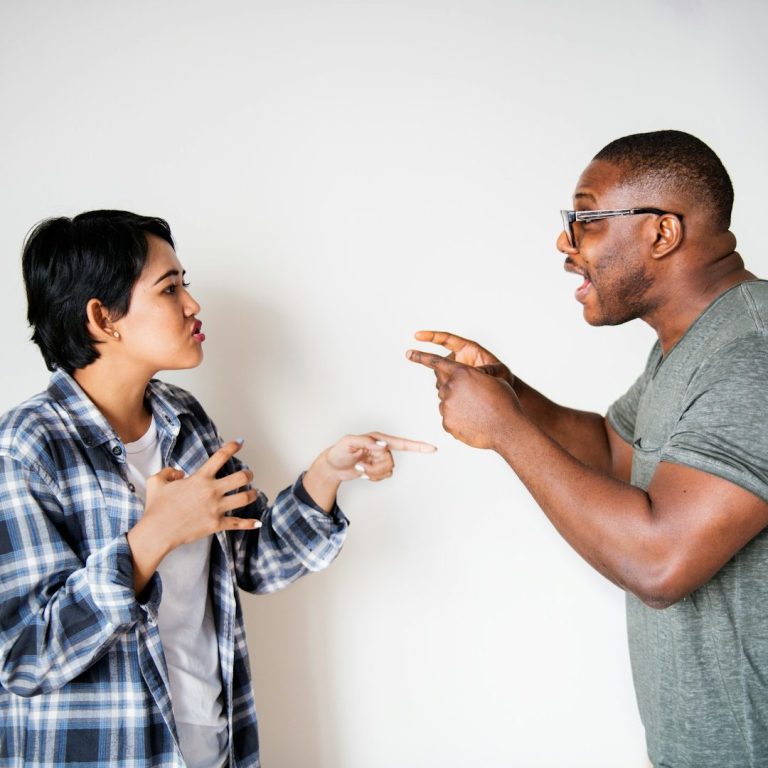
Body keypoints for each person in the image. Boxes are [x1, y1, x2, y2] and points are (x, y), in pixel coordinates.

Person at [0, 210, 435, 768]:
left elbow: (253, 563)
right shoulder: (26, 446)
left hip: (209, 745)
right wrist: (150, 539)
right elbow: (24, 656)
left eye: (187, 284)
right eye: (170, 288)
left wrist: (327, 474)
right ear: (103, 318)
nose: (192, 305)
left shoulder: (184, 419)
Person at [406, 130, 768, 768]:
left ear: (661, 233)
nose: (565, 243)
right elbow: (614, 450)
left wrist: (506, 431)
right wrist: (509, 394)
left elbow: (661, 563)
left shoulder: (751, 354)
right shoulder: (689, 343)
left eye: (587, 219)